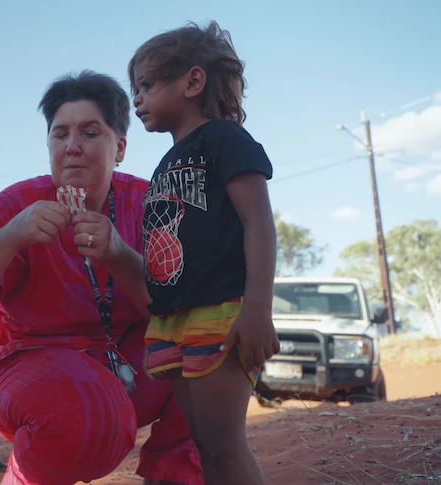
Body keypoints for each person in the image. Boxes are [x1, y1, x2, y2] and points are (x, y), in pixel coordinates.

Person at [0, 70, 203, 485]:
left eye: (90, 132)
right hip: (21, 366)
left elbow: (178, 308)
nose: (73, 147)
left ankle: (174, 476)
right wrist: (9, 238)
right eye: (60, 135)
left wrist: (117, 253)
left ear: (120, 148)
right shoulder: (15, 207)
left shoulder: (151, 204)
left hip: (120, 357)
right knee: (85, 410)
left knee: (205, 354)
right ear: (48, 147)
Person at [123, 21, 281, 485]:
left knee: (224, 446)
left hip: (222, 315)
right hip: (173, 320)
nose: (137, 100)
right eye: (136, 89)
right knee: (205, 448)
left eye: (147, 86)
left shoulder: (225, 139)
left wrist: (257, 308)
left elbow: (259, 221)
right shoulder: (167, 160)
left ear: (193, 82)